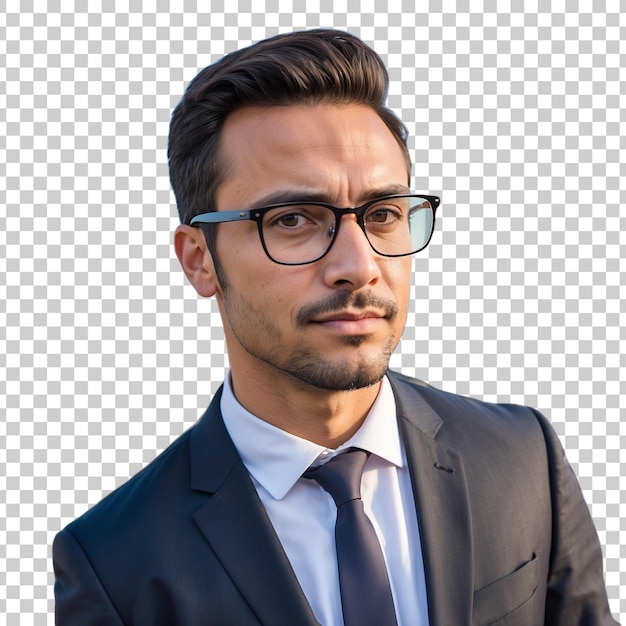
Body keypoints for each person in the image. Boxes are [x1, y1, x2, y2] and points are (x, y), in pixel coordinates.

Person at [52, 29, 617, 626]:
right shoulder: (114, 562)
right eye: (293, 218)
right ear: (199, 259)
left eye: (383, 214)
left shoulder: (523, 459)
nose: (359, 266)